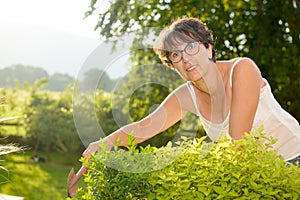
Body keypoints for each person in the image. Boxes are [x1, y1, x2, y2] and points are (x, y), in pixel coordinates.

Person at [67, 17, 300, 197]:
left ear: (208, 48)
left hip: (294, 163)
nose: (185, 58)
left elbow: (239, 144)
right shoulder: (186, 95)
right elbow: (144, 127)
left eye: (191, 47)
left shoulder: (242, 70)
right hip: (255, 178)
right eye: (175, 55)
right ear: (173, 66)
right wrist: (101, 145)